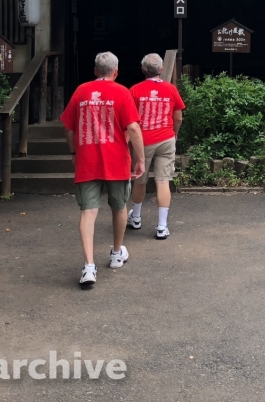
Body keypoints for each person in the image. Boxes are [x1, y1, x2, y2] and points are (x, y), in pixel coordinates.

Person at [60, 52, 145, 286]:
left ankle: (88, 267)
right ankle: (117, 253)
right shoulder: (122, 92)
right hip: (117, 161)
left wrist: (74, 153)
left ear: (95, 70)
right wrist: (141, 159)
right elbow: (134, 128)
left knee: (88, 213)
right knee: (119, 207)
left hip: (87, 160)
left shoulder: (81, 92)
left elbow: (68, 128)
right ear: (115, 72)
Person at [128, 53, 184, 240]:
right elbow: (178, 117)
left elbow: (130, 119)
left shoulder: (135, 90)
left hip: (142, 141)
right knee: (163, 181)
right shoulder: (171, 89)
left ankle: (136, 217)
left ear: (143, 70)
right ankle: (162, 225)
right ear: (161, 69)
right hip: (166, 138)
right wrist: (174, 134)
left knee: (140, 180)